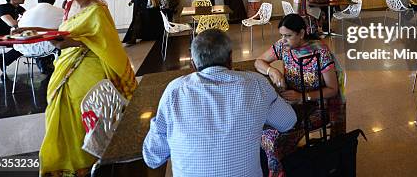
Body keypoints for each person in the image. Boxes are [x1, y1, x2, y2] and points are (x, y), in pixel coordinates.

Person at [143, 29, 296, 177]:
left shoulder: (174, 91)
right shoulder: (256, 83)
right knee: (263, 155)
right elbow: (288, 121)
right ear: (230, 59)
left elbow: (153, 157)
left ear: (193, 65)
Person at [39, 0, 137, 176]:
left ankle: (83, 161)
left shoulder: (97, 10)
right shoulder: (71, 5)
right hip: (67, 62)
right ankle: (62, 159)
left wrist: (70, 43)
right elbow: (64, 32)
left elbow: (104, 43)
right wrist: (40, 33)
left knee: (78, 110)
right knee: (59, 110)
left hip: (88, 66)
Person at [255, 14, 340, 176]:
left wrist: (302, 96)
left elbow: (332, 89)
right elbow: (259, 62)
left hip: (315, 106)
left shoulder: (319, 52)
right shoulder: (283, 47)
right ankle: (283, 164)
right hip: (290, 104)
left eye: (288, 36)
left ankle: (280, 169)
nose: (283, 40)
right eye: (282, 36)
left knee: (272, 137)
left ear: (301, 33)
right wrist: (272, 71)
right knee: (259, 125)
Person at [14, 0, 64, 74]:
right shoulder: (61, 11)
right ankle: (49, 64)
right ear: (54, 0)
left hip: (24, 47)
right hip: (49, 47)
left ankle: (42, 61)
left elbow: (19, 26)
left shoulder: (27, 13)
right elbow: (65, 29)